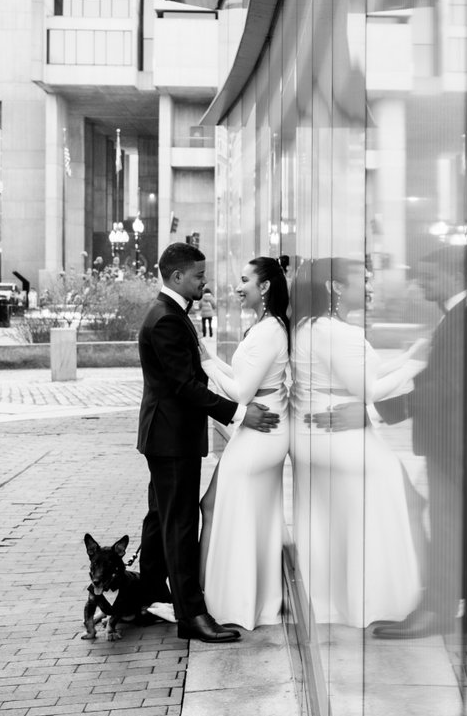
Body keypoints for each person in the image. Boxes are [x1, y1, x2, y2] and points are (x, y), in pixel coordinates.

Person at [312, 246, 467, 639]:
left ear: (459, 277)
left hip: (463, 439)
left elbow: (448, 387)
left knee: (450, 520)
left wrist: (371, 414)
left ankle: (440, 610)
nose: (421, 284)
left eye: (431, 276)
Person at [135, 242, 280, 644]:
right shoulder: (166, 319)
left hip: (166, 437)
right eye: (199, 276)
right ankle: (192, 616)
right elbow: (184, 386)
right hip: (171, 438)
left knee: (162, 517)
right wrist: (238, 412)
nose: (206, 282)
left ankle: (151, 597)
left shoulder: (170, 314)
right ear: (177, 277)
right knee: (180, 525)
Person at [289, 257, 426, 627]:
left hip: (317, 437)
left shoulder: (313, 327)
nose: (368, 286)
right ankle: (378, 602)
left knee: (340, 521)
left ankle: (341, 600)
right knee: (389, 500)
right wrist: (417, 367)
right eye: (361, 280)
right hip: (340, 439)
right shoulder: (337, 333)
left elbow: (369, 370)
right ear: (334, 286)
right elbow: (369, 389)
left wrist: (409, 356)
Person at [196, 256, 291, 630]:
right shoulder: (267, 326)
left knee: (223, 507)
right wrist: (211, 359)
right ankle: (237, 598)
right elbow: (241, 376)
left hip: (260, 431)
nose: (238, 286)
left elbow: (242, 391)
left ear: (264, 287)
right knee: (228, 508)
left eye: (245, 279)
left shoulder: (269, 331)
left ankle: (227, 601)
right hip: (259, 428)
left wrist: (206, 367)